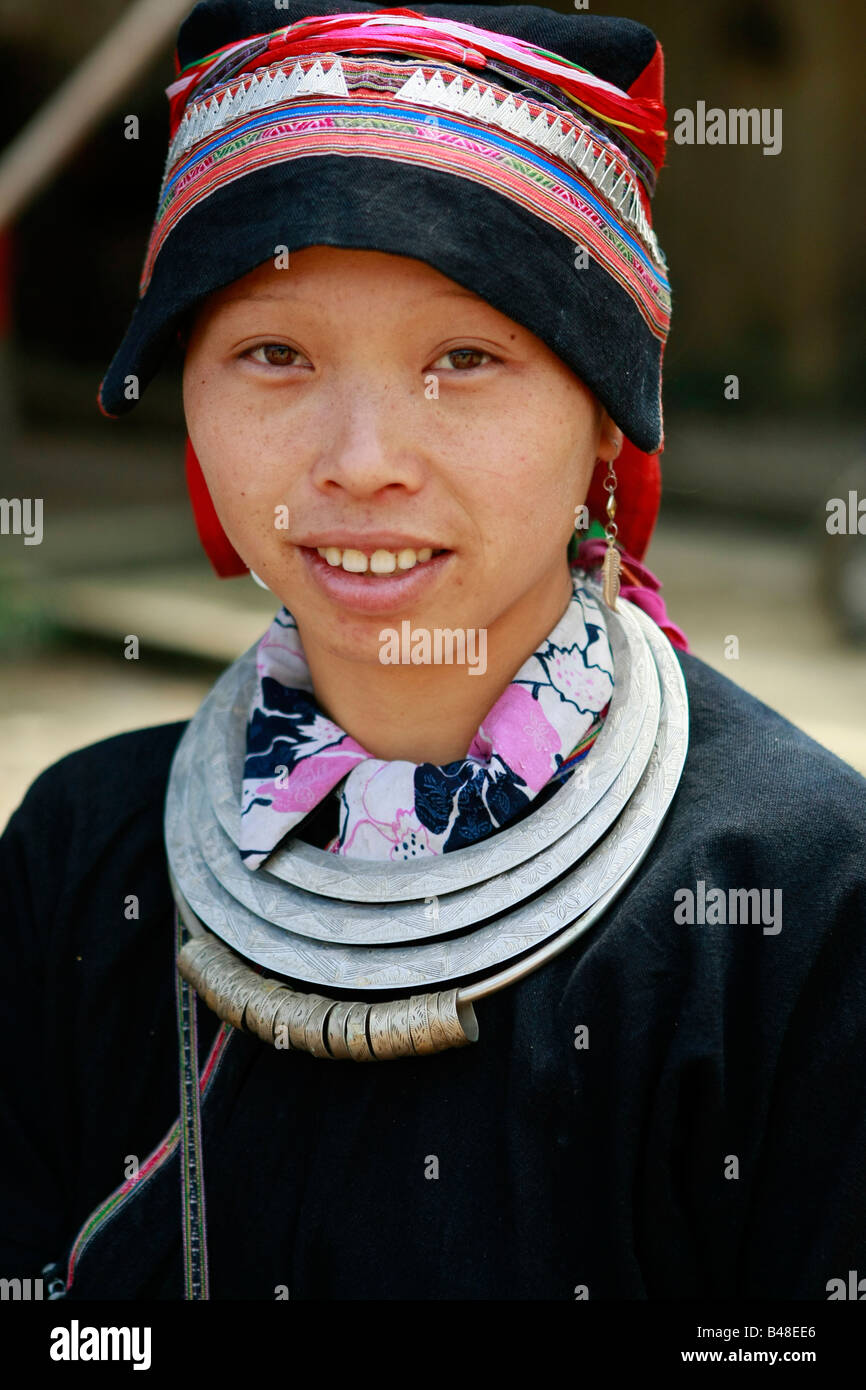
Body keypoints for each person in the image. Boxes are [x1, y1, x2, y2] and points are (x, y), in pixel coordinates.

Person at [1, 0, 864, 1303]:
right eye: (271, 354)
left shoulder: (794, 898)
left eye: (465, 357)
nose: (359, 461)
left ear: (603, 425)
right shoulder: (84, 854)